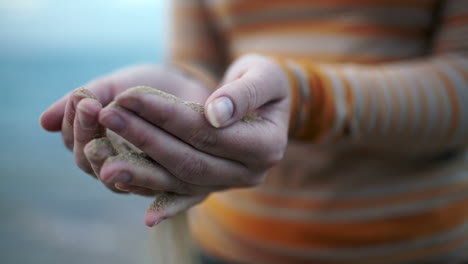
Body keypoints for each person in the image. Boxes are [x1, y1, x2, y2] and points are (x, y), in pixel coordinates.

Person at [40, 0, 468, 263]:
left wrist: (304, 99)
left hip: (410, 247)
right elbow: (199, 67)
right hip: (228, 247)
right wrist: (176, 89)